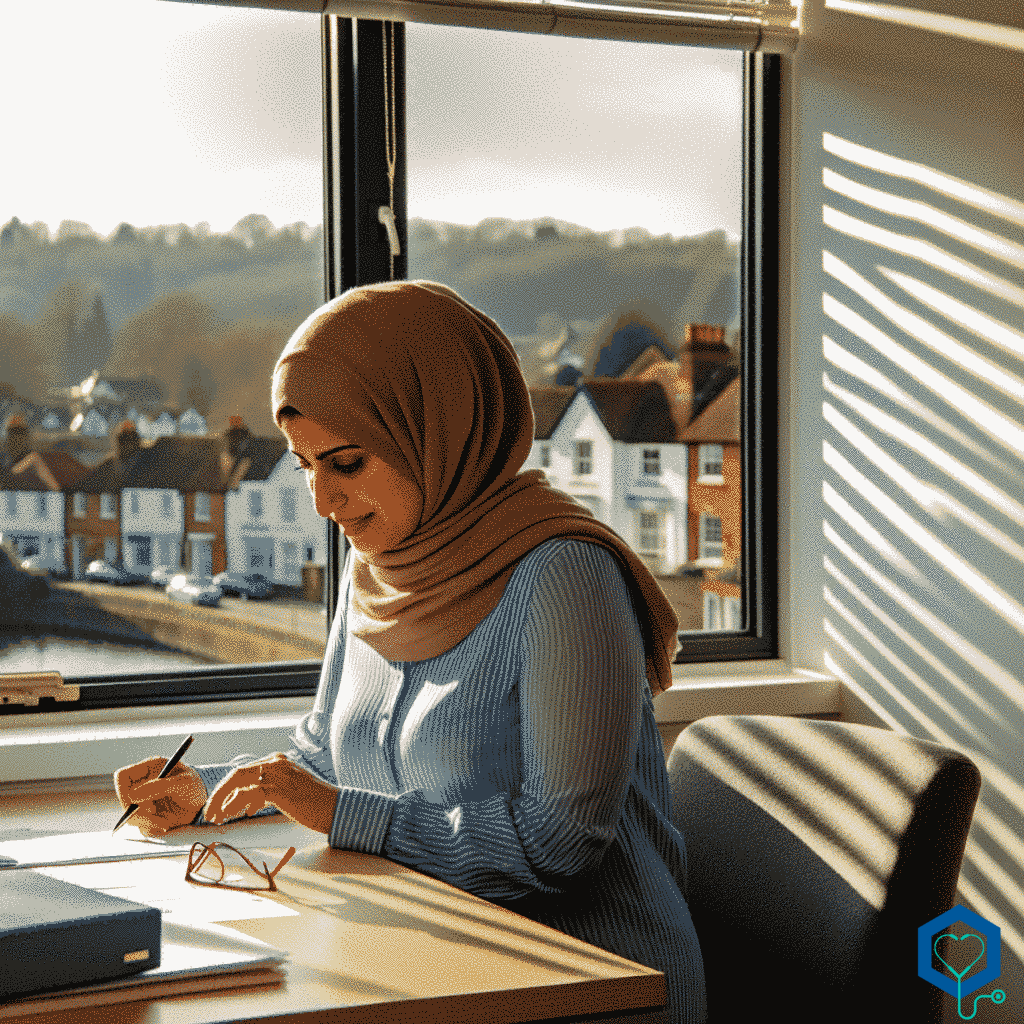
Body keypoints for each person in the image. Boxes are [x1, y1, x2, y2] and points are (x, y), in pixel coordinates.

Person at [114, 280, 706, 1024]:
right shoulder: (380, 572)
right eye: (305, 467)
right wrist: (208, 788)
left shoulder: (567, 575)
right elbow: (328, 757)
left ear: (437, 429)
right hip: (448, 957)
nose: (323, 500)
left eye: (348, 463)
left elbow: (558, 844)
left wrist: (342, 814)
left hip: (595, 983)